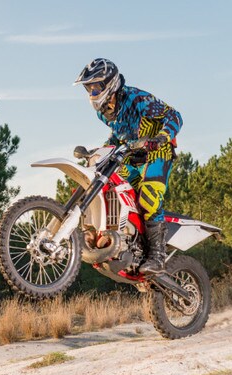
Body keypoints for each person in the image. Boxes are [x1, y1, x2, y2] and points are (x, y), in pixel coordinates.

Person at [74, 58, 183, 275]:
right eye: (89, 88)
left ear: (111, 84)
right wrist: (101, 152)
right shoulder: (103, 112)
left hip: (157, 152)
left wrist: (161, 138)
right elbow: (119, 134)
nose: (93, 92)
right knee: (108, 187)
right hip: (132, 157)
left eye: (96, 86)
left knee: (149, 198)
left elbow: (174, 116)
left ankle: (158, 257)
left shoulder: (138, 99)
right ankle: (111, 237)